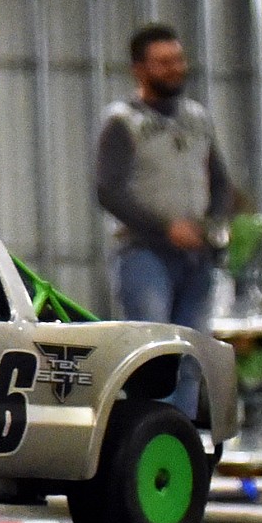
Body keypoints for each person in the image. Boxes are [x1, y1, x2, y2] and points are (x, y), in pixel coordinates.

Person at [96, 22, 234, 417]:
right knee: (155, 355)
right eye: (162, 63)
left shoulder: (197, 118)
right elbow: (109, 190)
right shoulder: (122, 121)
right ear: (140, 69)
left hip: (196, 256)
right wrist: (164, 228)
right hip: (144, 255)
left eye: (178, 60)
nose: (174, 69)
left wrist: (213, 225)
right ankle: (150, 435)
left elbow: (220, 180)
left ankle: (182, 437)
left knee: (192, 356)